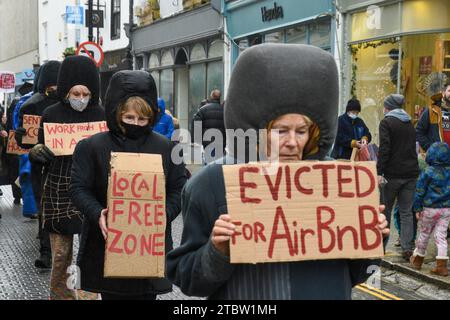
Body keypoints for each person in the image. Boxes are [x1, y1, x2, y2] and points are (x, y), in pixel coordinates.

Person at [166, 44, 389, 300]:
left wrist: (371, 240)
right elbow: (186, 279)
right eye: (281, 131)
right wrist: (218, 251)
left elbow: (356, 274)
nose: (292, 142)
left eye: (302, 131)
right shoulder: (211, 183)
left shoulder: (339, 182)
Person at [70, 70, 187, 300]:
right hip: (106, 245)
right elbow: (78, 187)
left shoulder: (168, 148)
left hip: (148, 246)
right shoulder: (91, 146)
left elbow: (178, 188)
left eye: (142, 119)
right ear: (116, 113)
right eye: (129, 118)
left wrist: (164, 213)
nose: (136, 124)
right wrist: (98, 213)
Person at [28, 56, 105, 300]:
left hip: (92, 190)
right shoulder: (50, 114)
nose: (80, 98)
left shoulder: (102, 115)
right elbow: (39, 147)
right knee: (61, 255)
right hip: (59, 189)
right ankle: (62, 297)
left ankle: (86, 296)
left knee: (89, 254)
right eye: (75, 92)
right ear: (65, 91)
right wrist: (36, 152)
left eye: (85, 93)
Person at [15, 60, 61, 269]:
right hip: (41, 165)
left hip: (65, 164)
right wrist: (20, 136)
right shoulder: (31, 105)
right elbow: (24, 142)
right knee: (45, 207)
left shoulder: (69, 103)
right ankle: (46, 250)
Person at [377, 94, 419, 261]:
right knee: (406, 212)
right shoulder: (409, 122)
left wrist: (379, 171)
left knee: (384, 211)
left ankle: (380, 247)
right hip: (411, 173)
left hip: (392, 174)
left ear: (388, 107)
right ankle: (407, 248)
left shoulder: (386, 122)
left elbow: (384, 149)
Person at [410, 142, 450, 276]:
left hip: (429, 209)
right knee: (441, 236)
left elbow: (419, 191)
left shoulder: (428, 171)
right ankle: (442, 267)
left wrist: (417, 208)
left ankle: (418, 260)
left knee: (424, 234)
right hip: (446, 209)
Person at [192, 89, 226, 163]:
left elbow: (196, 124)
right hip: (221, 143)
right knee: (219, 164)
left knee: (208, 163)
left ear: (211, 96)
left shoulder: (203, 110)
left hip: (207, 142)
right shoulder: (224, 111)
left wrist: (196, 141)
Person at [416, 82, 450, 149]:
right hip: (437, 157)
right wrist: (430, 148)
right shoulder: (431, 111)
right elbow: (419, 132)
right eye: (449, 91)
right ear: (443, 93)